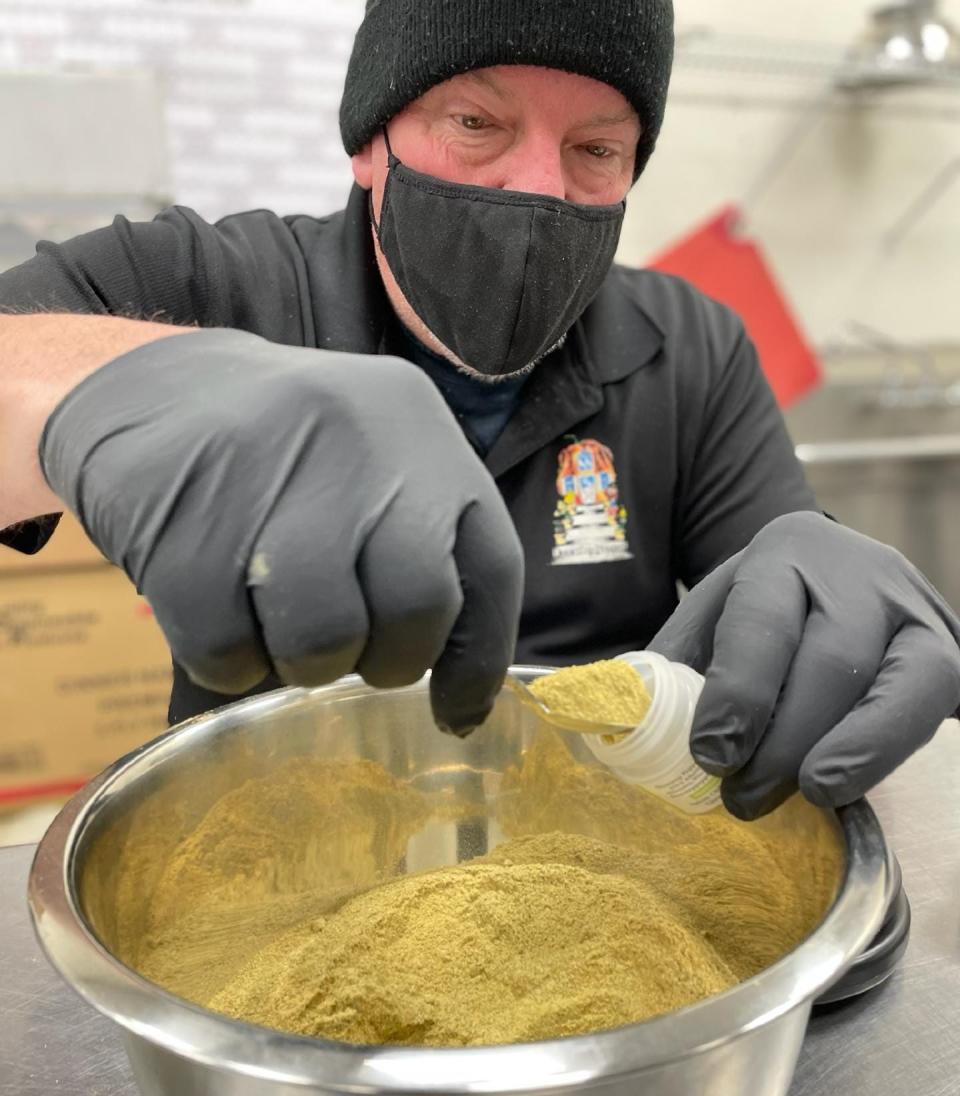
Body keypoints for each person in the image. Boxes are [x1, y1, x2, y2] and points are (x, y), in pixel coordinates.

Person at [0, 0, 957, 821]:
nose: (540, 187)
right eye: (474, 120)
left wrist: (824, 582)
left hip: (598, 864)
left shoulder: (690, 347)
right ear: (371, 141)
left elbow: (769, 603)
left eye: (596, 148)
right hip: (273, 862)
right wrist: (119, 387)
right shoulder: (207, 283)